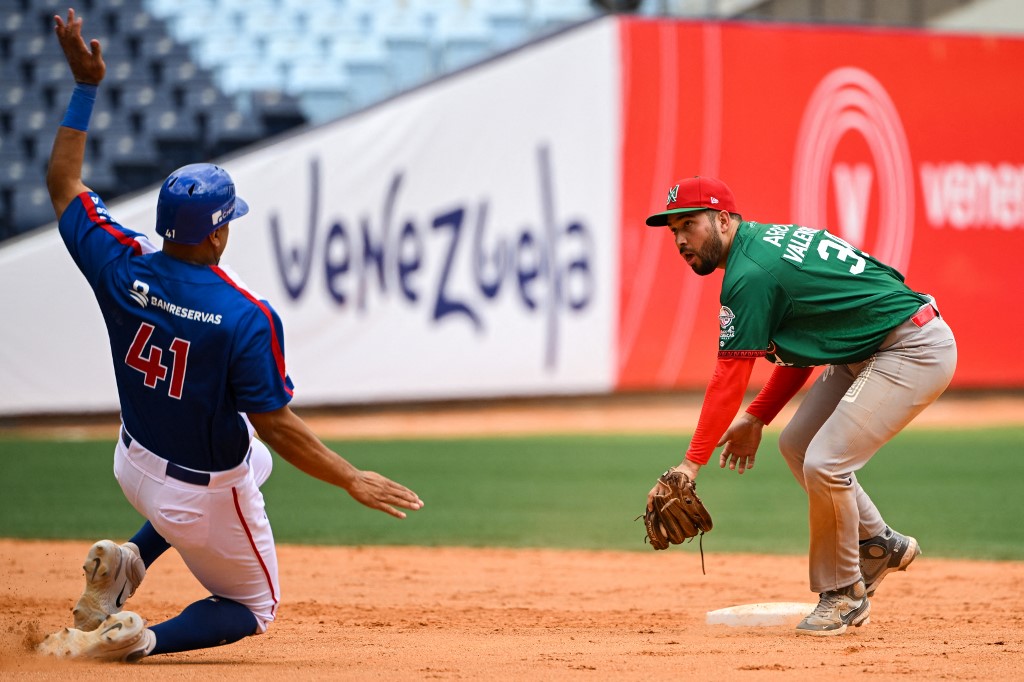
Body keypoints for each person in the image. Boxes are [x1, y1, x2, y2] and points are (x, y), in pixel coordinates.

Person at [38, 9, 424, 663]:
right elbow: (277, 422)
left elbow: (63, 184)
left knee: (256, 458)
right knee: (253, 607)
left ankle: (129, 563)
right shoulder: (244, 313)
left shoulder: (118, 260)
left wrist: (85, 87)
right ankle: (137, 641)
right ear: (217, 231)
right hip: (199, 493)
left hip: (132, 461)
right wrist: (351, 477)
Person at [644, 176, 956, 636]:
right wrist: (756, 418)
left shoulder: (749, 274)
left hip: (910, 347)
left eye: (689, 224)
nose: (681, 239)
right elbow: (806, 349)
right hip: (869, 348)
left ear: (724, 220)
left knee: (827, 462)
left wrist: (691, 464)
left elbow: (729, 375)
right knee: (797, 444)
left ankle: (844, 595)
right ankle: (877, 546)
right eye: (673, 231)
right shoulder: (762, 251)